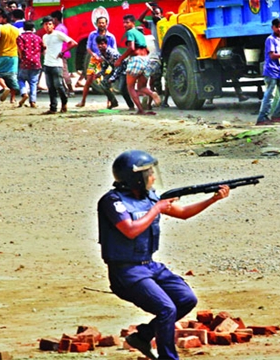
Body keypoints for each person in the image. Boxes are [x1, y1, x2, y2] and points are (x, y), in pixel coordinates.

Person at [97, 150, 230, 360]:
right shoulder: (112, 201)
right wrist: (157, 209)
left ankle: (143, 337)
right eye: (148, 173)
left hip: (149, 265)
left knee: (186, 299)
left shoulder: (150, 198)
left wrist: (213, 199)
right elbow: (130, 229)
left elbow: (183, 212)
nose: (153, 177)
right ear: (135, 178)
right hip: (126, 271)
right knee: (166, 308)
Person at [114, 14, 160, 115]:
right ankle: (152, 93)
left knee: (130, 87)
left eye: (127, 22)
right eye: (124, 23)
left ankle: (140, 110)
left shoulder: (130, 32)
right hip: (145, 60)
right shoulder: (141, 34)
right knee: (141, 87)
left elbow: (132, 48)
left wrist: (120, 60)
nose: (125, 25)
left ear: (133, 23)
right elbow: (146, 50)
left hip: (136, 60)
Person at [256, 18, 280, 125]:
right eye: (277, 27)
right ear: (273, 27)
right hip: (271, 71)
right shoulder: (270, 39)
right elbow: (272, 55)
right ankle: (262, 118)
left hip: (279, 71)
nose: (279, 29)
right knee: (269, 95)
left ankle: (276, 115)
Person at [76, 16, 117, 108]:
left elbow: (114, 50)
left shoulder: (111, 37)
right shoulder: (92, 35)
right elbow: (88, 47)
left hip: (106, 61)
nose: (101, 24)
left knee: (107, 81)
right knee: (89, 79)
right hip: (94, 59)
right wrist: (93, 55)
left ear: (106, 24)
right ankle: (83, 101)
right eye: (100, 23)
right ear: (97, 24)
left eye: (103, 23)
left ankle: (109, 103)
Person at [41, 15, 77, 114]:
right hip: (47, 64)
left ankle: (64, 102)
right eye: (45, 24)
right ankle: (53, 107)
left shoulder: (58, 34)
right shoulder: (44, 37)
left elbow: (73, 43)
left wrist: (63, 52)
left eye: (49, 24)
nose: (48, 26)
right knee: (50, 87)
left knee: (58, 85)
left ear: (53, 25)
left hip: (57, 64)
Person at [97, 35, 134, 110]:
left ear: (106, 44)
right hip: (115, 70)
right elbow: (105, 66)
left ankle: (131, 106)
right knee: (103, 83)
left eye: (102, 44)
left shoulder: (112, 53)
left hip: (123, 70)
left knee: (122, 89)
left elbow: (120, 66)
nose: (100, 46)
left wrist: (113, 78)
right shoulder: (101, 54)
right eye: (99, 44)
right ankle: (113, 102)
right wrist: (99, 73)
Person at [0, 10, 19, 103]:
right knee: (12, 76)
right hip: (14, 55)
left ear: (4, 19)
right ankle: (13, 98)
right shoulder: (16, 30)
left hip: (2, 54)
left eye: (0, 17)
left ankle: (5, 87)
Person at [16, 21, 42, 108]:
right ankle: (33, 101)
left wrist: (21, 57)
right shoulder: (38, 38)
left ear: (23, 28)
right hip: (36, 62)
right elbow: (43, 47)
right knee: (33, 82)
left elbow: (20, 49)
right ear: (33, 28)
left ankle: (24, 93)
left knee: (21, 79)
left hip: (25, 62)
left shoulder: (20, 37)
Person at [50, 10, 74, 96]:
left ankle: (70, 90)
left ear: (55, 19)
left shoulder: (58, 29)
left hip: (61, 53)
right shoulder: (63, 27)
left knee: (64, 72)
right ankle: (65, 89)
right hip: (62, 52)